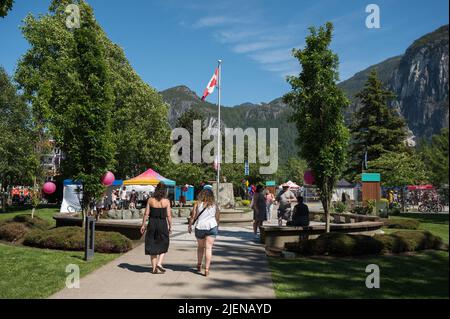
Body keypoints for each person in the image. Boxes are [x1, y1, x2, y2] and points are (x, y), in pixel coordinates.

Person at [140, 182, 172, 274]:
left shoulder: (150, 200)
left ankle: (154, 268)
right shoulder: (166, 201)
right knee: (165, 242)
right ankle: (159, 263)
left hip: (152, 223)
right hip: (162, 223)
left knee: (152, 243)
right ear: (164, 191)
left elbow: (146, 213)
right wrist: (170, 226)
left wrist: (143, 225)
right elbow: (169, 215)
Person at [188, 189, 220, 277]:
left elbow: (193, 216)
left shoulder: (197, 204)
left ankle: (199, 264)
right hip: (212, 227)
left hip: (200, 227)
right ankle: (206, 269)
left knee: (200, 247)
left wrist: (190, 226)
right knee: (208, 248)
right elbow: (217, 217)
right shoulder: (215, 205)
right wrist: (216, 227)